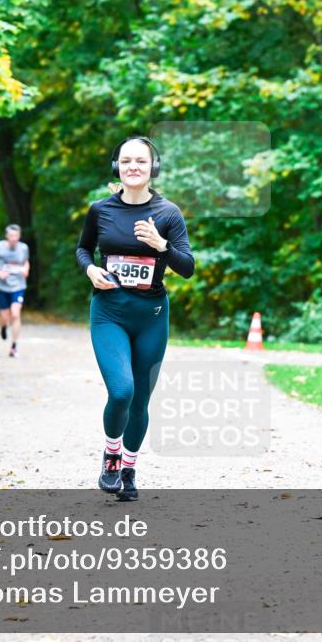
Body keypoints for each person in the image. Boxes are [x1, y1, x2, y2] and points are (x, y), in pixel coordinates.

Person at [76, 136, 195, 502]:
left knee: (140, 399)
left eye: (140, 161)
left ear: (152, 167)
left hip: (152, 316)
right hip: (109, 312)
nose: (133, 167)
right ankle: (111, 455)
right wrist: (90, 269)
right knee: (121, 391)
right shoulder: (100, 210)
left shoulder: (168, 213)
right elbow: (83, 249)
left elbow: (187, 267)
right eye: (126, 161)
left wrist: (161, 245)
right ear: (117, 167)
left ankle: (128, 468)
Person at [0, 225, 30, 357]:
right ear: (6, 236)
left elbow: (26, 262)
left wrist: (26, 270)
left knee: (15, 314)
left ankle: (14, 346)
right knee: (5, 317)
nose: (13, 238)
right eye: (11, 236)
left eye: (16, 236)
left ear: (19, 236)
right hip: (2, 287)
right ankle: (3, 327)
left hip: (18, 286)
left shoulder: (23, 248)